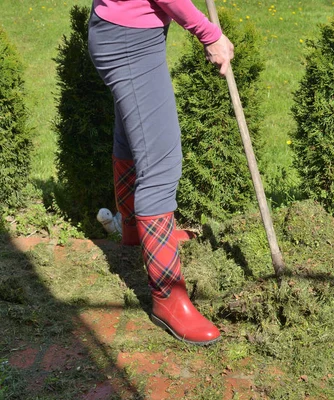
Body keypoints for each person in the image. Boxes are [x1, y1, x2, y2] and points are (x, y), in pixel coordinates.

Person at [88, 0, 234, 346]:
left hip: (119, 29)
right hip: (130, 40)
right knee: (161, 164)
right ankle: (169, 297)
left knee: (133, 136)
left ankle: (133, 230)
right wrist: (209, 34)